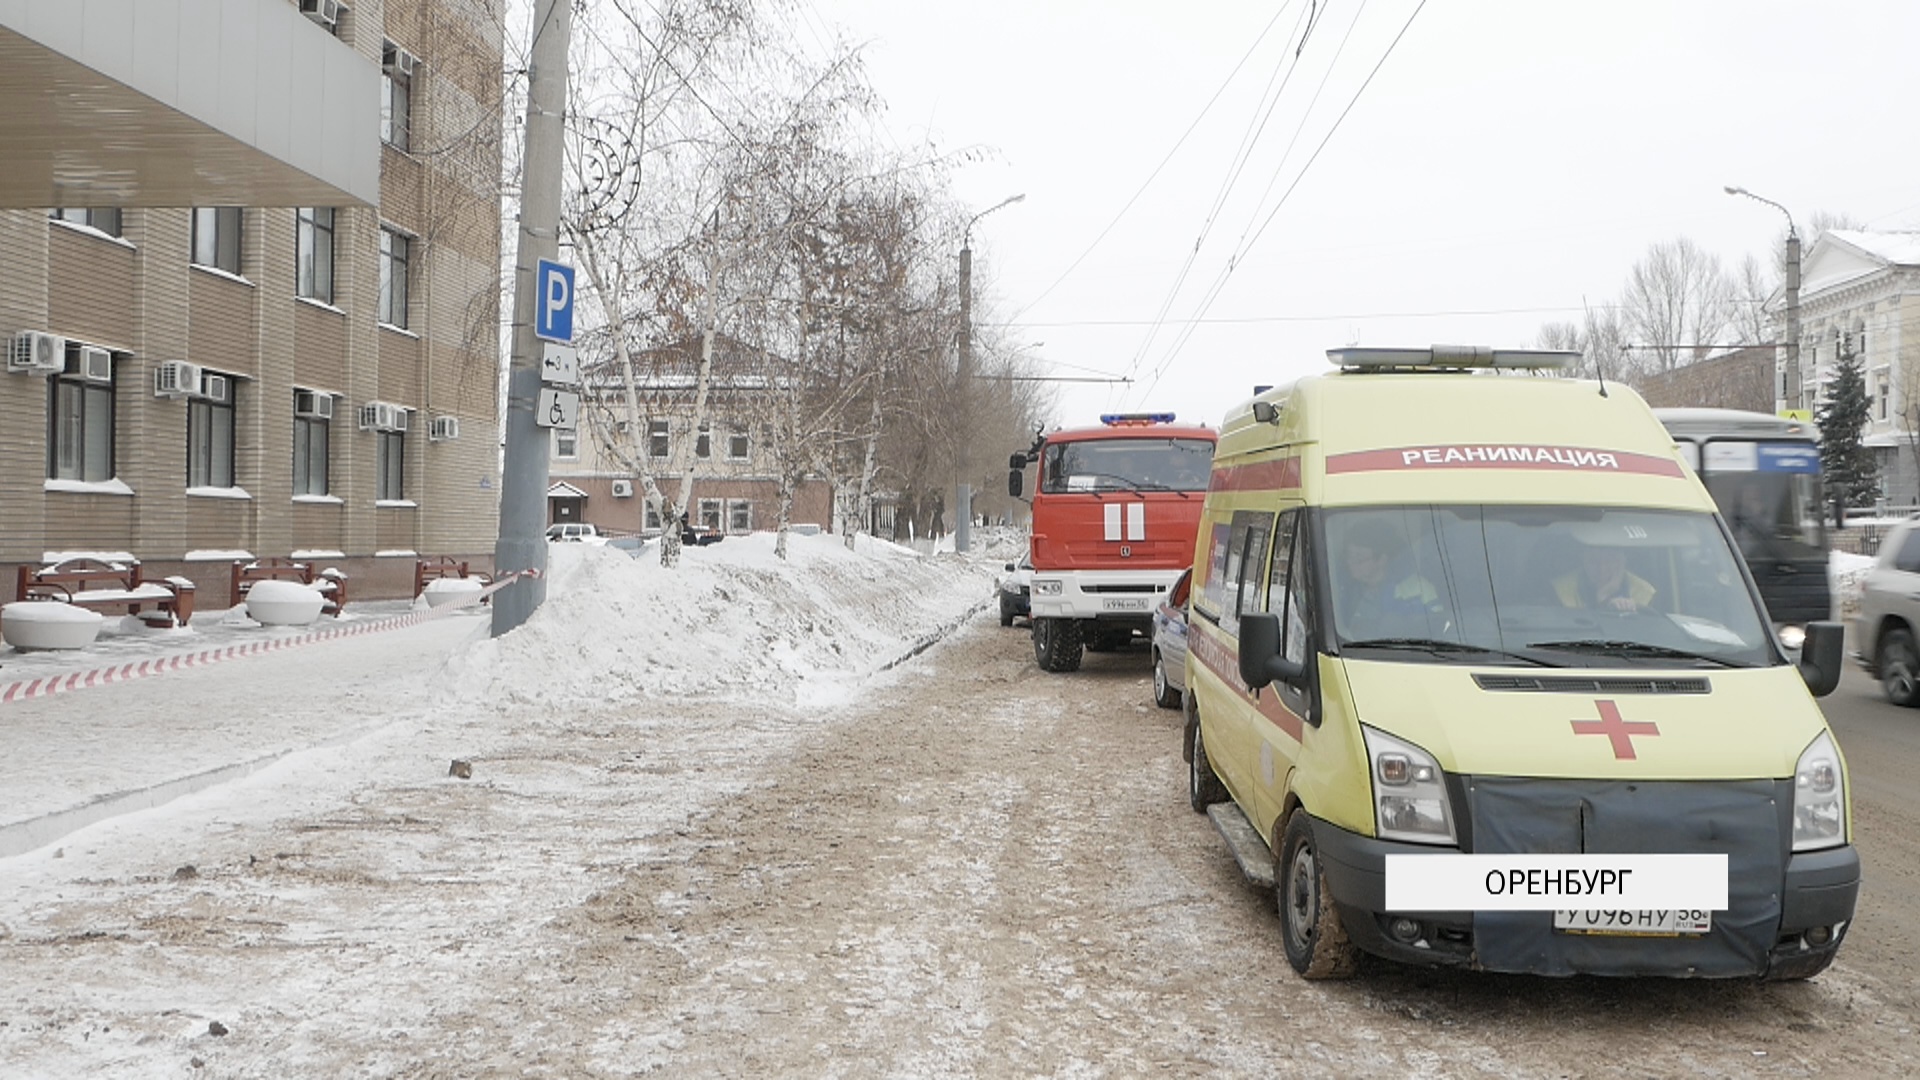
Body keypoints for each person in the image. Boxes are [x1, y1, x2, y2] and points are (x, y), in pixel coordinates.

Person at [1336, 519, 1445, 638]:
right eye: (1348, 555)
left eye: (1359, 557)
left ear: (1382, 560)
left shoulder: (1420, 589)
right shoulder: (1341, 591)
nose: (1350, 562)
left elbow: (1438, 629)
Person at [1553, 542, 1656, 612]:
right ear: (1583, 560)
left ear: (1623, 561)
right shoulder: (1559, 590)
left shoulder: (1645, 593)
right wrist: (1603, 599)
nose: (1602, 569)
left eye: (1610, 560)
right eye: (1593, 561)